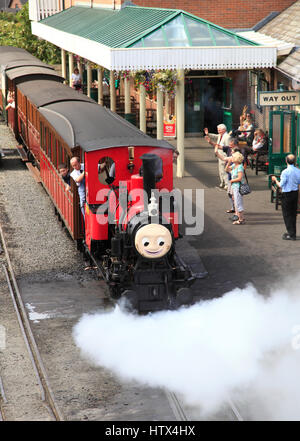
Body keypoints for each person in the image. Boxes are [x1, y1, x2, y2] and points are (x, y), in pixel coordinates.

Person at [271, 154, 300, 241]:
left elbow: (281, 185)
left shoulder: (285, 172)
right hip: (295, 193)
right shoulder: (298, 171)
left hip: (287, 194)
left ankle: (291, 234)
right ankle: (292, 232)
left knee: (287, 214)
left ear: (286, 161)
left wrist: (275, 179)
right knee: (293, 213)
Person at [214, 137, 239, 214]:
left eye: (231, 147)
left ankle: (238, 214)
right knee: (230, 194)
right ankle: (234, 209)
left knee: (235, 196)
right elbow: (224, 159)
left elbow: (240, 174)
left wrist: (233, 180)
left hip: (235, 178)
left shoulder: (237, 156)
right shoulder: (232, 157)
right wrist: (217, 153)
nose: (230, 150)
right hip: (230, 176)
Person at [204, 124, 231, 190]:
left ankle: (227, 184)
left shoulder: (227, 137)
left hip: (224, 156)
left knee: (224, 170)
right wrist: (208, 134)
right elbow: (215, 136)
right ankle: (222, 182)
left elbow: (227, 148)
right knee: (220, 170)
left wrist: (211, 142)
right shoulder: (220, 135)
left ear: (224, 130)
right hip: (219, 155)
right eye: (218, 129)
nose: (218, 131)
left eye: (219, 130)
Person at [227, 151, 246, 225]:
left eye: (233, 157)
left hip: (238, 187)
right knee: (237, 202)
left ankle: (241, 220)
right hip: (234, 187)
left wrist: (232, 180)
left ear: (236, 158)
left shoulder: (240, 167)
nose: (231, 158)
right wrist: (228, 163)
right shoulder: (234, 165)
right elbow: (227, 170)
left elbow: (240, 178)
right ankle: (241, 218)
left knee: (238, 203)